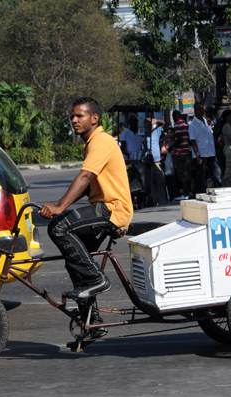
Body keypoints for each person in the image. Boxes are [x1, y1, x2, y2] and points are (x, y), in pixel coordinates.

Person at [40, 97, 133, 315]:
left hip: (113, 208)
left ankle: (97, 278)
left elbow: (86, 175)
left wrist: (60, 207)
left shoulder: (101, 141)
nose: (74, 120)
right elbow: (87, 186)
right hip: (104, 207)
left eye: (79, 116)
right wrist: (58, 204)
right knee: (74, 259)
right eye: (72, 116)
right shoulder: (91, 144)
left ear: (94, 118)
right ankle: (90, 321)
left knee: (58, 227)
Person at [189, 102, 222, 194]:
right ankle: (200, 194)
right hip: (202, 154)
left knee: (217, 173)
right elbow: (193, 141)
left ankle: (219, 191)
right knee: (201, 177)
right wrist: (198, 155)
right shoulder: (193, 125)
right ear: (195, 110)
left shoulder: (206, 121)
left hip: (211, 153)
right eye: (199, 109)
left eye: (202, 108)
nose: (201, 110)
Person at [170, 110, 192, 200]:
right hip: (187, 151)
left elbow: (179, 139)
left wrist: (172, 147)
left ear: (175, 116)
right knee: (188, 174)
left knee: (182, 175)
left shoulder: (177, 125)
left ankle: (185, 194)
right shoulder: (186, 124)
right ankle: (189, 192)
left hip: (180, 152)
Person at [145, 116, 168, 205]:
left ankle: (162, 200)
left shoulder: (155, 133)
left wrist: (156, 121)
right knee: (151, 183)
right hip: (148, 163)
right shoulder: (144, 135)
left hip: (157, 162)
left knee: (160, 182)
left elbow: (163, 123)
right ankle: (154, 201)